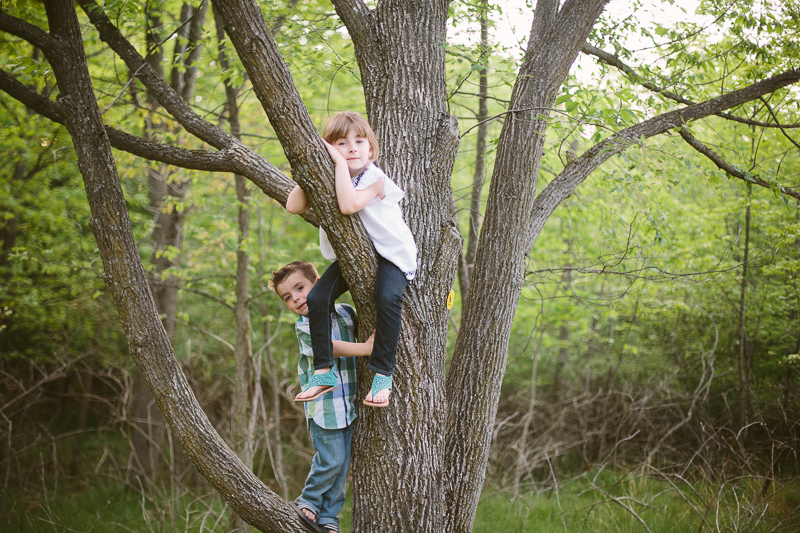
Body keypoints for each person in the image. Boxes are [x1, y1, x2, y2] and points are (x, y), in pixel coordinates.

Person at [286, 111, 416, 408]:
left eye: (360, 141)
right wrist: (314, 166)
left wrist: (337, 162)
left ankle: (383, 374)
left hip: (391, 255)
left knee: (386, 296)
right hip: (354, 255)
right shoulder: (329, 177)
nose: (353, 148)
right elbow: (293, 205)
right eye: (342, 144)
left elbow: (348, 205)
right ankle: (323, 371)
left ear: (371, 149)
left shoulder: (376, 178)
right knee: (317, 297)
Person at [270, 260, 373, 533]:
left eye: (300, 288)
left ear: (319, 283)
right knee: (331, 460)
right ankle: (309, 500)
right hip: (325, 408)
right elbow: (329, 346)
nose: (297, 299)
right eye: (288, 297)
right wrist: (365, 349)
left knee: (342, 468)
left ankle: (328, 518)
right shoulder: (304, 326)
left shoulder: (346, 312)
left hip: (349, 405)